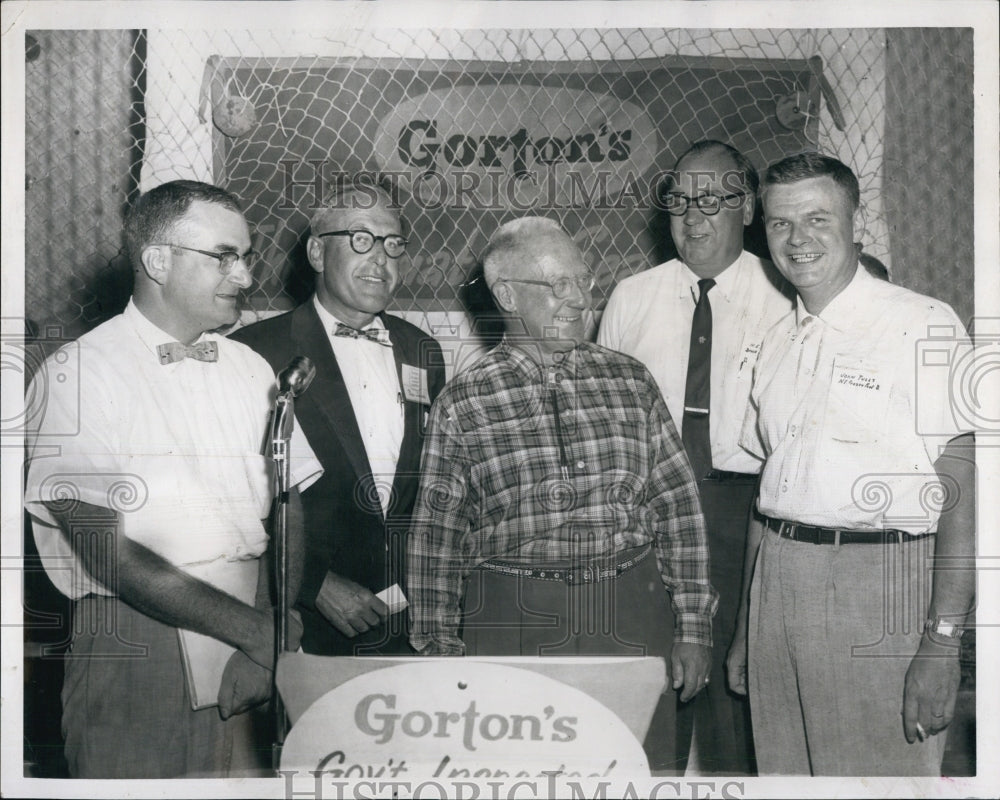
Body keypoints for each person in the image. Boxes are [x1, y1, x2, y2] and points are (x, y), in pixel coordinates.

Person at [23, 180, 323, 778]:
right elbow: (106, 552)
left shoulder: (251, 367)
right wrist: (259, 636)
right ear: (158, 260)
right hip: (140, 645)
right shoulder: (76, 373)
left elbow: (289, 504)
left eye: (247, 256)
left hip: (256, 628)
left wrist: (270, 622)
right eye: (223, 256)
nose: (244, 276)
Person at [407, 216, 718, 774]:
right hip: (514, 621)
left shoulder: (631, 380)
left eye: (583, 282)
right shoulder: (463, 401)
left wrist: (693, 626)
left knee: (642, 776)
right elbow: (437, 541)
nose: (579, 300)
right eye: (557, 286)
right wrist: (438, 656)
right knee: (525, 780)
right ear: (505, 295)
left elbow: (677, 508)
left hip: (633, 613)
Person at [730, 153, 975, 775]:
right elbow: (772, 489)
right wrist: (746, 629)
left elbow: (967, 490)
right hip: (778, 584)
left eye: (818, 218)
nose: (798, 239)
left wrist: (942, 643)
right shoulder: (778, 339)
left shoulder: (920, 322)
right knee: (786, 780)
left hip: (880, 581)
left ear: (855, 221)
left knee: (881, 783)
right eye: (781, 224)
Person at [599, 140, 793, 775]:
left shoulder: (786, 297)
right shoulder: (633, 296)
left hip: (746, 515)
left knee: (738, 694)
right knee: (654, 687)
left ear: (747, 207)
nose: (693, 215)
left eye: (712, 199)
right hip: (649, 518)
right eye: (679, 200)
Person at [232, 180, 445, 655]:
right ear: (315, 252)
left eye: (393, 244)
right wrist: (315, 584)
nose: (381, 259)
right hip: (306, 621)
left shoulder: (421, 350)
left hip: (406, 616)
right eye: (361, 239)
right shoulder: (255, 353)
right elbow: (235, 500)